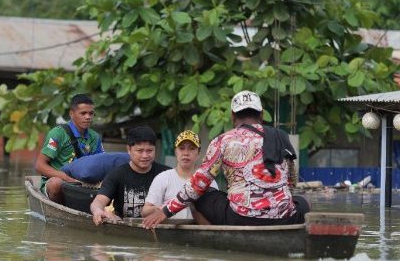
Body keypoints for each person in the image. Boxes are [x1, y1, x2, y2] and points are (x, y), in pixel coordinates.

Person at [142, 90, 309, 228]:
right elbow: (291, 181)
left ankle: (211, 239)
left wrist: (166, 211)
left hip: (241, 218)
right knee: (303, 201)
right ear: (262, 114)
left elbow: (198, 185)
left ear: (232, 116)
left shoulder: (222, 141)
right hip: (285, 218)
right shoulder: (280, 136)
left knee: (200, 194)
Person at [90, 125, 170, 225]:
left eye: (149, 151)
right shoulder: (116, 175)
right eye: (140, 151)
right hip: (125, 228)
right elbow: (98, 202)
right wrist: (98, 211)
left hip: (161, 227)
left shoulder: (167, 174)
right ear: (129, 149)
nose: (145, 155)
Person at [35, 94, 104, 203]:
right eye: (83, 113)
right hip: (60, 182)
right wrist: (66, 178)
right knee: (55, 183)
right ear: (71, 114)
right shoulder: (57, 133)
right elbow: (39, 165)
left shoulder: (95, 137)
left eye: (91, 113)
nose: (88, 117)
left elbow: (102, 164)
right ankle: (61, 207)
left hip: (85, 183)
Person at [142, 130, 217, 224]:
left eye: (192, 148)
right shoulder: (163, 178)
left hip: (198, 231)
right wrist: (163, 208)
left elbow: (214, 218)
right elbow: (145, 211)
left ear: (198, 153)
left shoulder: (207, 181)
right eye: (181, 148)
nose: (186, 153)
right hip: (168, 231)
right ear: (176, 152)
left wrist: (193, 207)